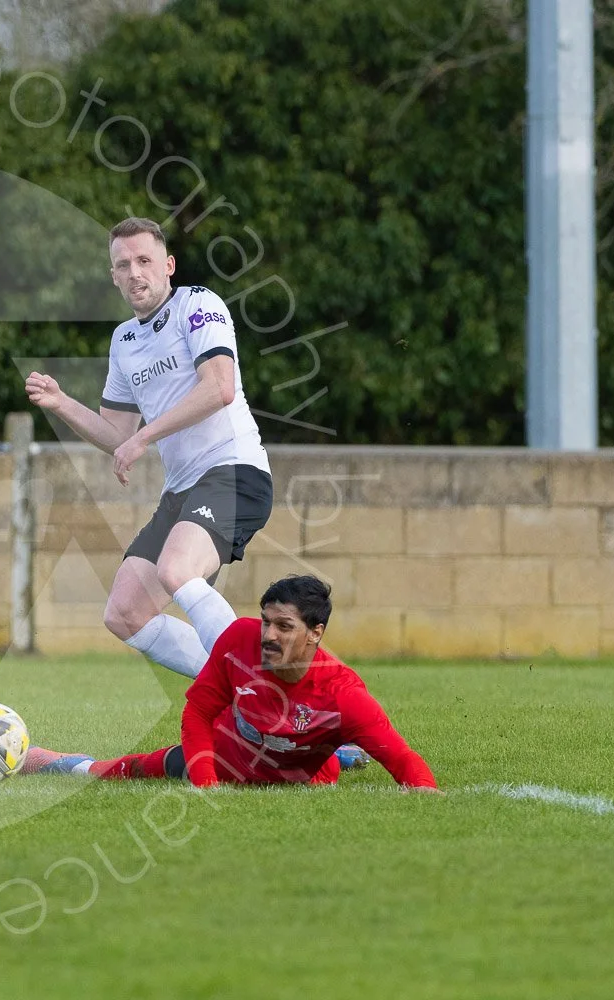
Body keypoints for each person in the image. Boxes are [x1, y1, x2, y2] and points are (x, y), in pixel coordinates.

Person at [25, 216, 272, 680]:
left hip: (234, 472)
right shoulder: (125, 341)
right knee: (124, 613)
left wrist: (144, 436)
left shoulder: (198, 304)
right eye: (123, 264)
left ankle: (269, 697)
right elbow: (118, 435)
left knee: (176, 571)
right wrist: (61, 404)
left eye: (144, 260)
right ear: (113, 276)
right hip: (184, 490)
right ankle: (245, 688)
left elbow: (219, 387)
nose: (135, 272)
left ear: (168, 265)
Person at [22, 575, 439, 791]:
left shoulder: (345, 698)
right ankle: (56, 760)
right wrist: (205, 779)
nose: (269, 635)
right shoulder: (239, 638)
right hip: (223, 754)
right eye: (266, 622)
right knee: (133, 769)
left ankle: (339, 754)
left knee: (311, 748)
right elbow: (199, 710)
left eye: (284, 626)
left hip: (305, 770)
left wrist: (421, 789)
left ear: (316, 632)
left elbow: (405, 761)